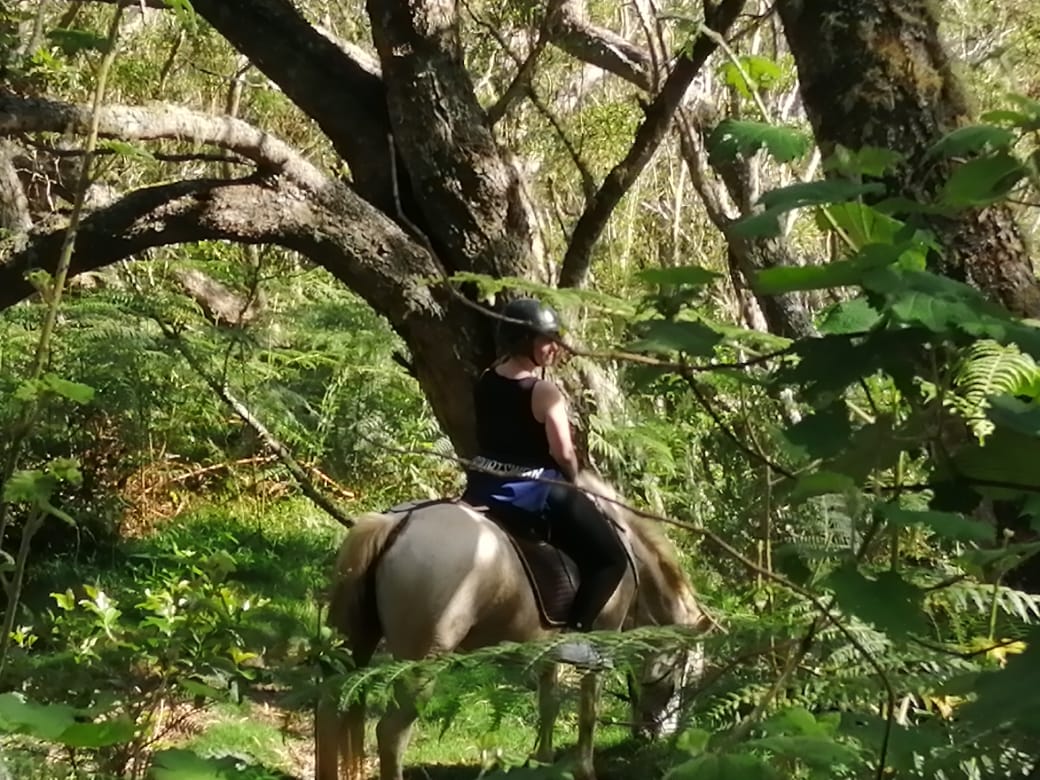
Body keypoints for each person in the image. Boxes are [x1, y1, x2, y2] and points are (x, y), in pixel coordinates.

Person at [463, 297, 629, 668]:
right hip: (534, 490)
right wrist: (576, 483)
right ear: (525, 341)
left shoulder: (486, 379)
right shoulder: (544, 392)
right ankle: (576, 636)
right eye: (547, 339)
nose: (554, 346)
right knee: (611, 557)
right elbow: (563, 453)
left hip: (483, 484)